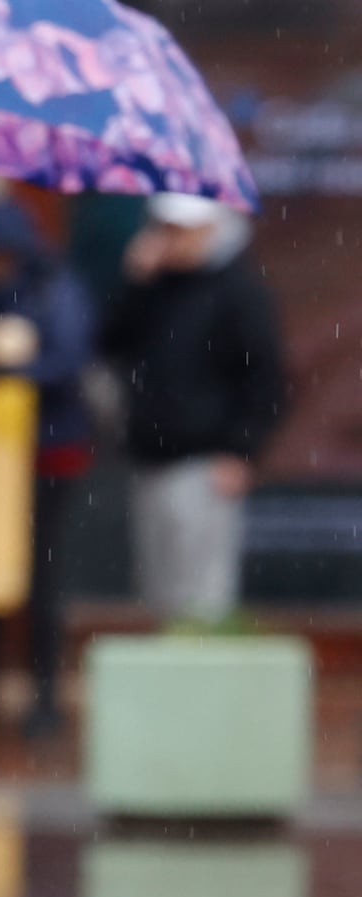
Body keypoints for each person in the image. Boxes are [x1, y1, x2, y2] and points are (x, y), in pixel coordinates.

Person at [107, 192, 292, 629]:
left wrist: (241, 449)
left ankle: (200, 687)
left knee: (202, 593)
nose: (172, 240)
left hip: (206, 461)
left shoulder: (239, 292)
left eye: (182, 230)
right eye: (166, 229)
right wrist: (135, 281)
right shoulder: (156, 289)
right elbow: (110, 342)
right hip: (152, 456)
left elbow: (265, 378)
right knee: (159, 590)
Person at [0, 202, 97, 738]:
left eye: (1, 256)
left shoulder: (54, 290)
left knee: (42, 574)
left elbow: (70, 356)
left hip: (47, 452)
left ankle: (43, 693)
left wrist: (12, 371)